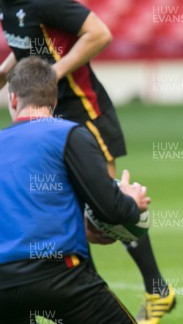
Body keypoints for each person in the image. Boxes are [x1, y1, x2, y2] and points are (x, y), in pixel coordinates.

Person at [0, 0, 174, 322]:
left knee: (104, 205)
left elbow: (99, 33)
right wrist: (5, 75)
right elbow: (27, 46)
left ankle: (157, 289)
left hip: (83, 111)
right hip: (44, 112)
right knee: (72, 218)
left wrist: (50, 76)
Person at [0, 57, 149, 323]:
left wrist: (81, 223)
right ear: (54, 101)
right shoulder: (68, 133)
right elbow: (110, 208)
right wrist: (131, 202)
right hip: (59, 276)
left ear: (13, 99)